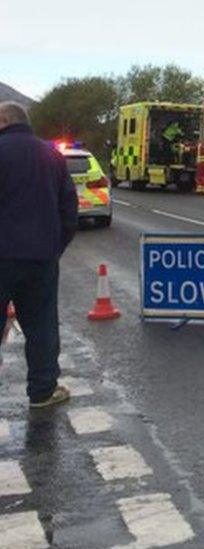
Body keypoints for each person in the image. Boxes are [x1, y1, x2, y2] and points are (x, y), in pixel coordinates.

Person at [0, 101, 77, 408]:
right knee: (42, 325)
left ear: (4, 120)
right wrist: (54, 247)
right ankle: (43, 391)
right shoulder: (52, 155)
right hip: (40, 258)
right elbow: (69, 210)